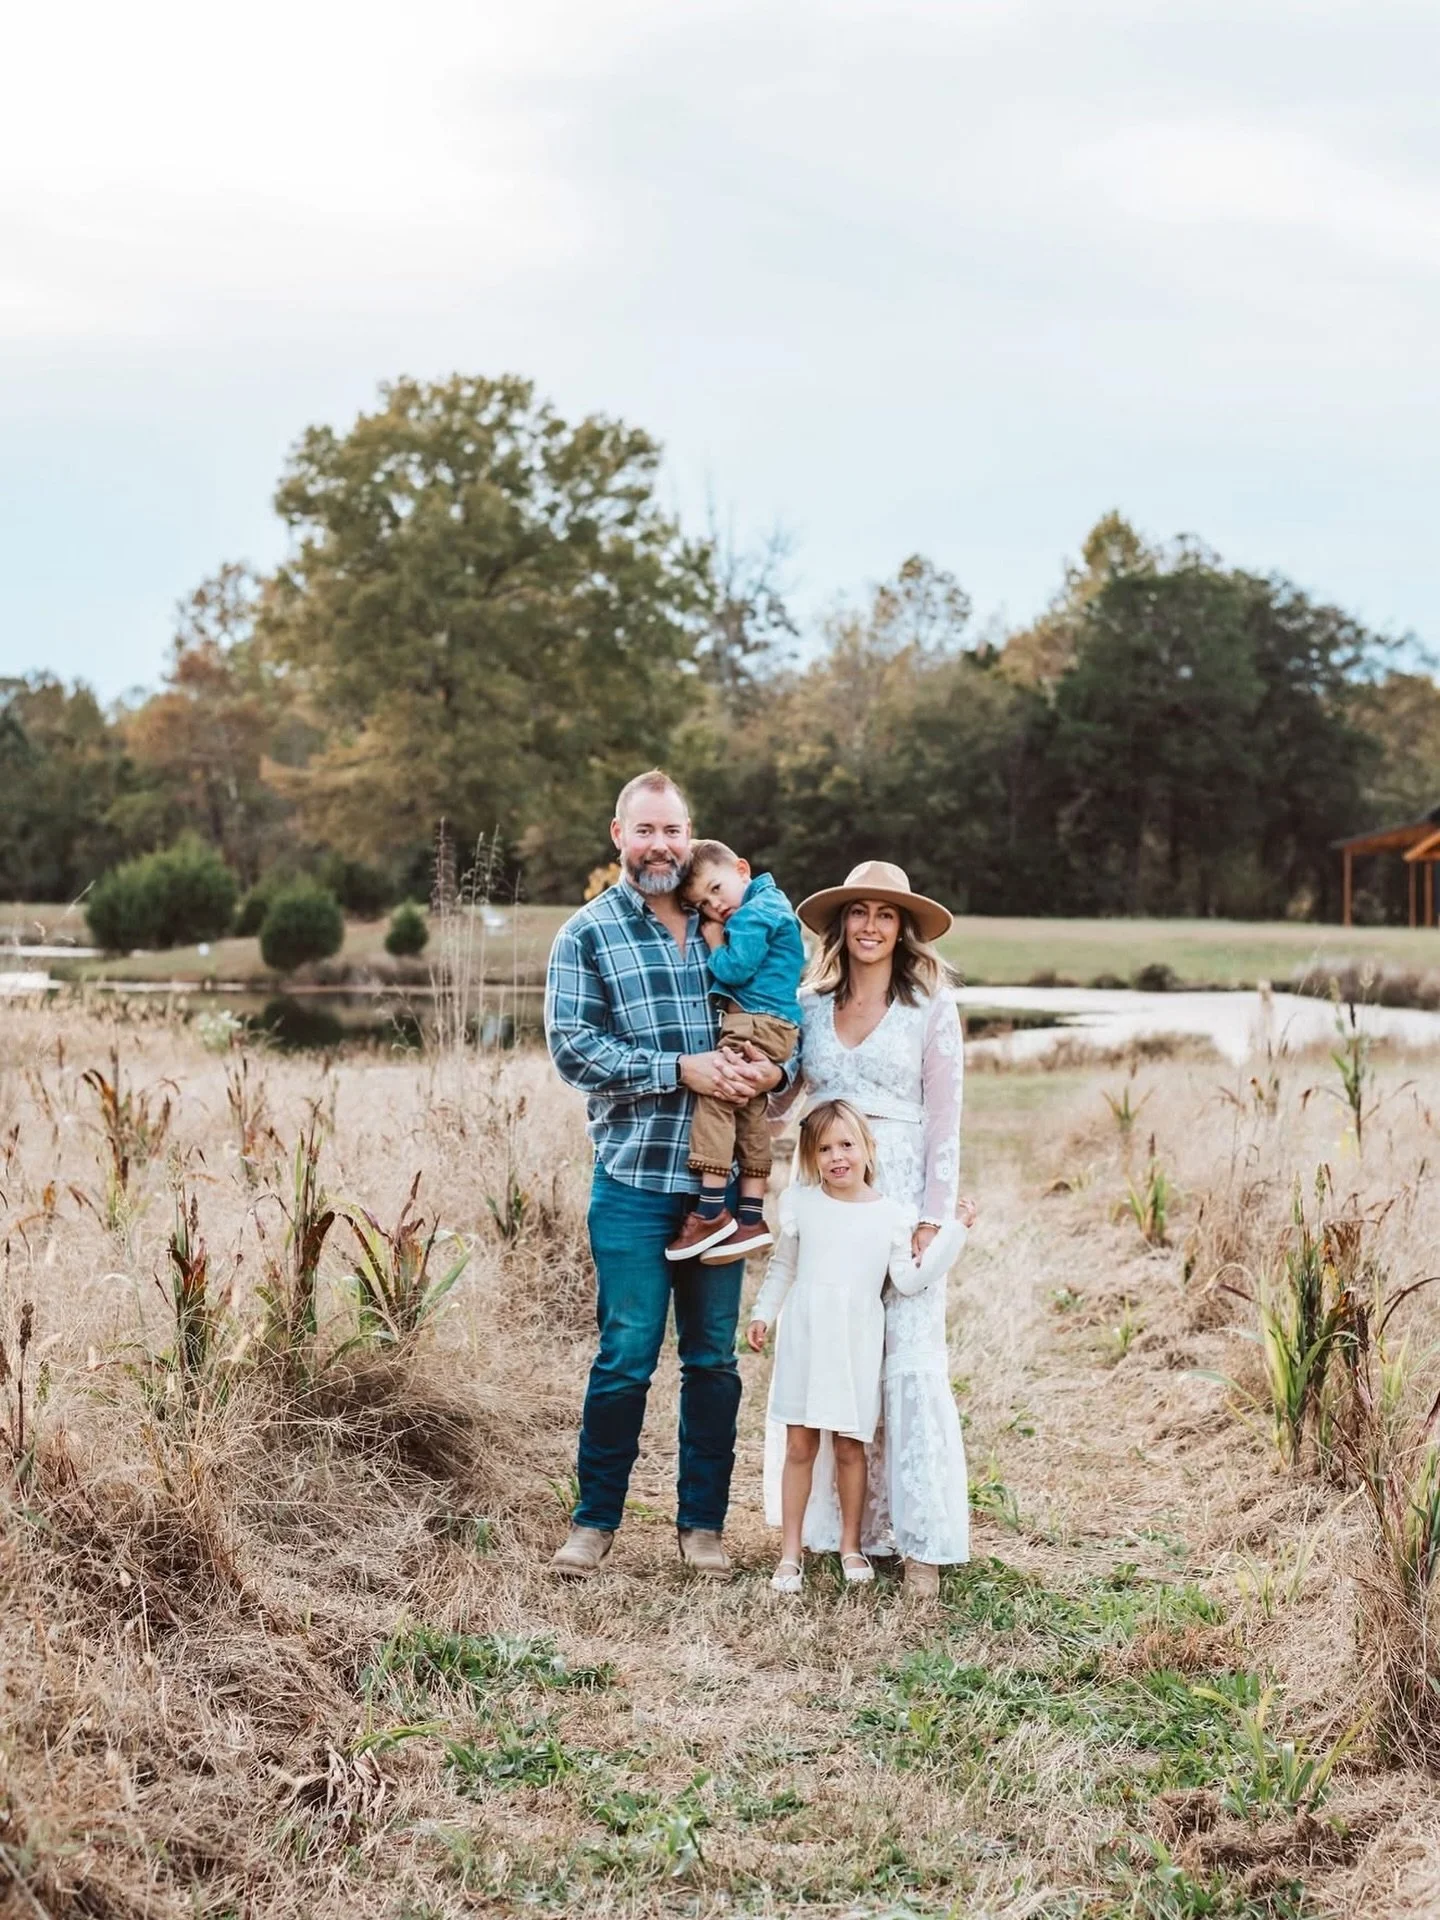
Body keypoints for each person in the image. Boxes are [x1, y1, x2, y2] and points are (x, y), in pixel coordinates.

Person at [543, 771, 788, 1581]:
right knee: (626, 1354)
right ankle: (594, 1523)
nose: (660, 846)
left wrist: (772, 1078)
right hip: (635, 1183)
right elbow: (574, 1049)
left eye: (673, 831)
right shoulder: (589, 933)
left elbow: (790, 1025)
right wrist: (680, 1069)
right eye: (645, 831)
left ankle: (702, 1527)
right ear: (619, 835)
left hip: (717, 1198)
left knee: (713, 1359)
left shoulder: (726, 921)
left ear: (691, 837)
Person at [766, 859, 970, 1599]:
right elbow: (784, 1102)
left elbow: (947, 1117)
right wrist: (756, 1081)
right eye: (860, 913)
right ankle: (845, 1530)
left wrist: (931, 1217)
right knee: (837, 1346)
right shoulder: (809, 1006)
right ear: (841, 924)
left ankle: (918, 1541)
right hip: (829, 1196)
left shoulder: (932, 1009)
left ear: (905, 927)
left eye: (887, 915)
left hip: (904, 1189)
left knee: (908, 1357)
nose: (872, 926)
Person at [746, 1099, 972, 1594]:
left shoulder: (891, 1215)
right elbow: (784, 1266)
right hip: (806, 1335)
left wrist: (953, 1234)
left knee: (851, 1446)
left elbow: (910, 1280)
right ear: (810, 1156)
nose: (836, 1156)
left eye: (846, 1144)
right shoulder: (803, 1202)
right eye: (824, 1148)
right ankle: (790, 1553)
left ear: (868, 1149)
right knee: (800, 1444)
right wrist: (763, 1312)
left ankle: (852, 1545)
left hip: (856, 1342)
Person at [664, 839, 805, 1267]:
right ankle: (750, 1215)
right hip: (776, 1024)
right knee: (749, 1109)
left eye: (716, 888)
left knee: (717, 1094)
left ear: (742, 869)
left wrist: (712, 942)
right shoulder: (773, 905)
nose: (715, 906)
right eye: (703, 904)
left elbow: (736, 967)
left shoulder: (753, 915)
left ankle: (709, 1210)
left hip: (755, 1021)